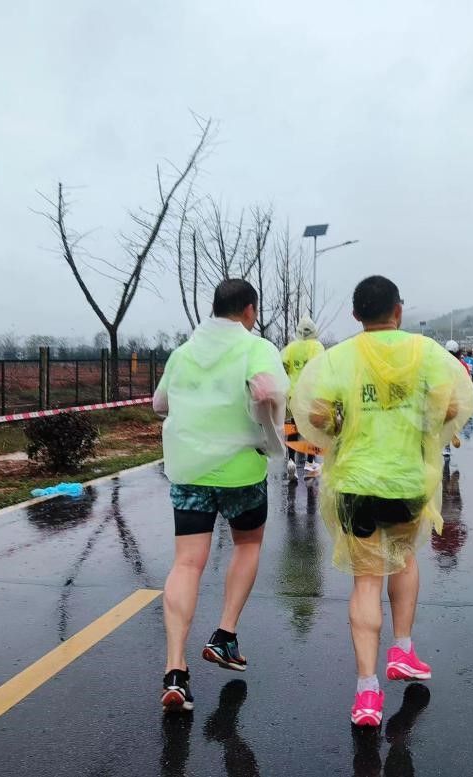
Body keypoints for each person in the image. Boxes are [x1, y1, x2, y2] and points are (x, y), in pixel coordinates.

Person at [293, 275, 473, 727]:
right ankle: (403, 649)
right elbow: (453, 406)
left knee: (366, 581)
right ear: (398, 310)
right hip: (407, 482)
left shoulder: (340, 357)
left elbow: (315, 414)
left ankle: (367, 693)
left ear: (356, 315)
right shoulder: (425, 352)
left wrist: (342, 424)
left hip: (356, 484)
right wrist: (417, 417)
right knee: (404, 559)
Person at [152, 279, 289, 713]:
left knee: (186, 563)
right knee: (247, 544)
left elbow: (159, 404)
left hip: (189, 471)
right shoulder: (256, 348)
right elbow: (272, 394)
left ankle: (176, 671)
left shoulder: (183, 353)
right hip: (241, 473)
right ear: (249, 310)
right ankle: (225, 634)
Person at [280, 316, 325, 481]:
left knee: (292, 429)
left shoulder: (291, 348)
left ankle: (291, 461)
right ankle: (310, 463)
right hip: (310, 395)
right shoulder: (317, 347)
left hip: (293, 395)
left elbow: (282, 366)